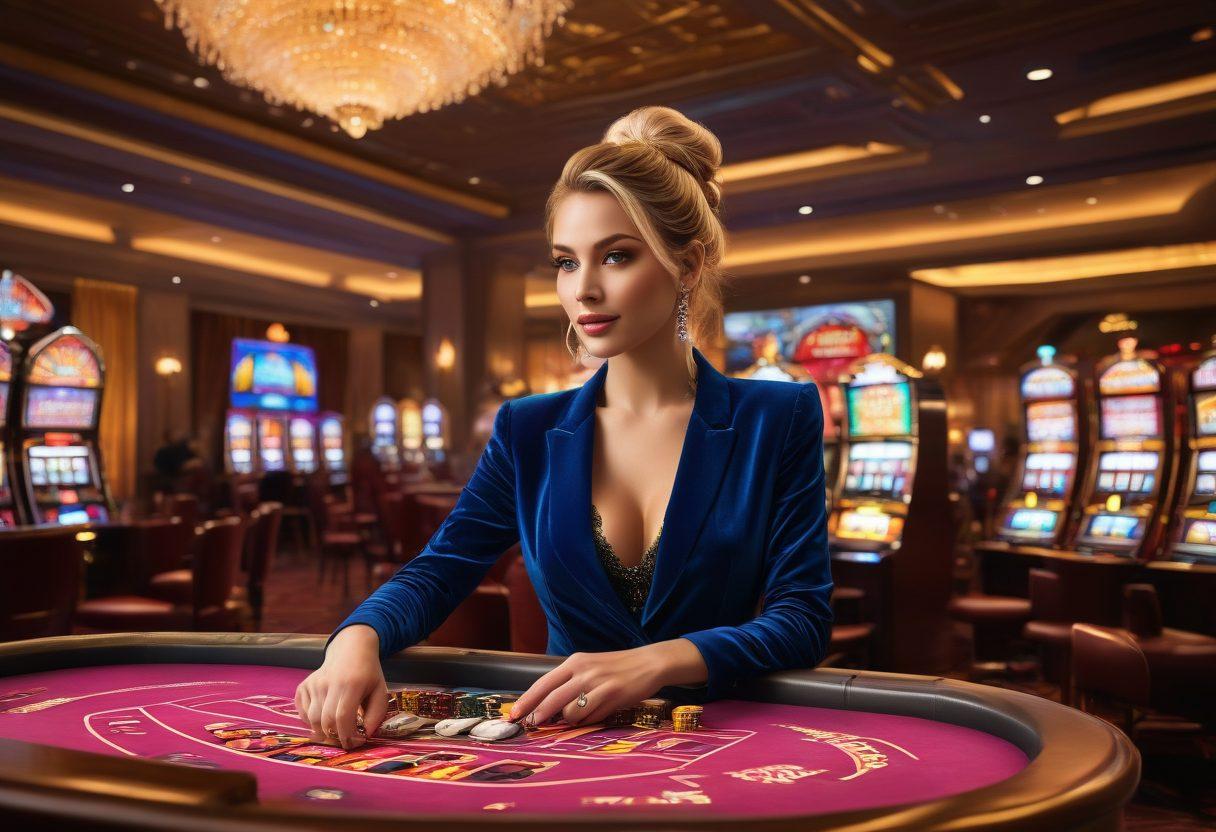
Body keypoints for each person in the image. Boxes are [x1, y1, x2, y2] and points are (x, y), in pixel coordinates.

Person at [297, 105, 834, 750]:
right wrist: (358, 637)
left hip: (717, 742)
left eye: (616, 256)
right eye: (565, 261)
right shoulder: (528, 428)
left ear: (687, 264)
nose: (584, 290)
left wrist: (662, 659)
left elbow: (801, 618)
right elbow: (439, 570)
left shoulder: (779, 416)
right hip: (562, 748)